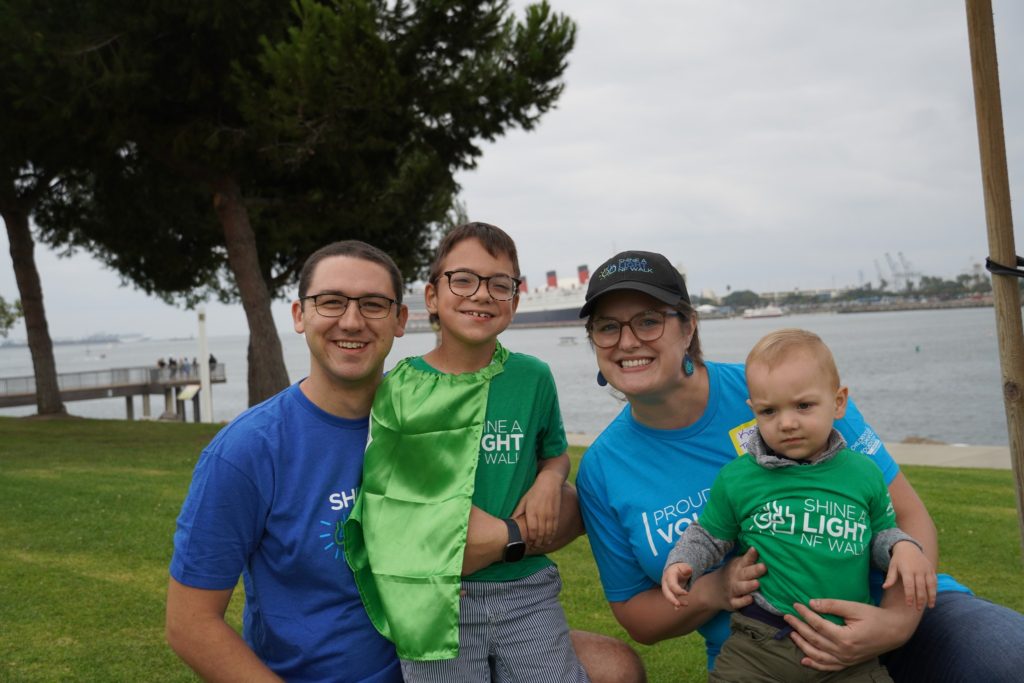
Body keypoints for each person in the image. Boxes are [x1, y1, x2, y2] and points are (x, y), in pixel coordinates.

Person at [166, 239, 645, 683]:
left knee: (616, 666)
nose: (352, 321)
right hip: (345, 671)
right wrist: (495, 538)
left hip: (464, 636)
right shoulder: (248, 451)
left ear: (401, 319)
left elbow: (564, 508)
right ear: (298, 314)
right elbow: (190, 626)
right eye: (331, 302)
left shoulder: (435, 407)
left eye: (373, 304)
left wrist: (508, 531)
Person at [575, 250, 1024, 682]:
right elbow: (638, 616)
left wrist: (895, 624)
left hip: (905, 612)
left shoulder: (784, 387)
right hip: (765, 654)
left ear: (688, 325)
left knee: (1009, 658)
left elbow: (907, 514)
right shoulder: (603, 468)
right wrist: (713, 589)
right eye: (607, 327)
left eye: (649, 320)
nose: (628, 341)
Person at [346, 223, 589, 682]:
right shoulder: (401, 385)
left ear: (515, 301)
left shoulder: (533, 377)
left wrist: (550, 481)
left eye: (500, 284)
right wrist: (422, 576)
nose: (481, 294)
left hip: (526, 589)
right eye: (463, 280)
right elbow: (387, 497)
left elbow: (553, 452)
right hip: (439, 594)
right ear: (432, 296)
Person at [661, 329, 935, 682]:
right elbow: (709, 535)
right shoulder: (738, 478)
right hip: (758, 646)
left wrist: (903, 548)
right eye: (769, 411)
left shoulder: (862, 473)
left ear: (838, 402)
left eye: (803, 406)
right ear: (753, 411)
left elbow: (881, 532)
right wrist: (683, 562)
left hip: (846, 649)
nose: (787, 423)